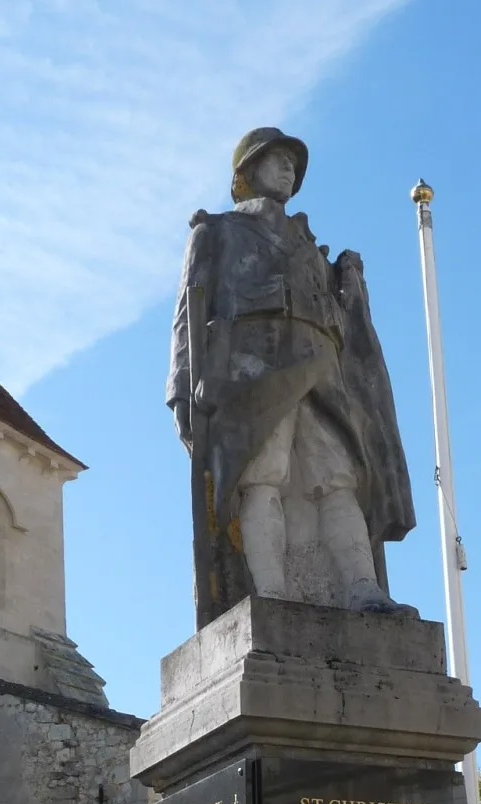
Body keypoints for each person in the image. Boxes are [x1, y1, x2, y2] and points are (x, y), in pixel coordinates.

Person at [167, 127, 416, 625]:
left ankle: (361, 588)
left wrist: (349, 292)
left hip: (322, 373)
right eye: (274, 159)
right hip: (252, 375)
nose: (287, 168)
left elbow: (345, 327)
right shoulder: (215, 233)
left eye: (292, 163)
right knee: (262, 479)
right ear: (246, 173)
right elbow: (185, 317)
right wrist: (182, 390)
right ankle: (272, 594)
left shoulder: (312, 247)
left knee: (338, 478)